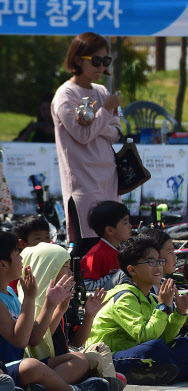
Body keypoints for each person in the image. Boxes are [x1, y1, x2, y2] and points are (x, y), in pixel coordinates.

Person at [87, 237, 188, 385]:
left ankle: (161, 372)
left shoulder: (149, 298)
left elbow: (164, 336)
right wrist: (163, 306)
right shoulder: (125, 298)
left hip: (138, 352)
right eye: (151, 262)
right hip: (110, 358)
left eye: (159, 260)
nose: (158, 266)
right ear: (132, 270)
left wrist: (180, 312)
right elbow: (146, 338)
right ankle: (185, 370)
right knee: (155, 348)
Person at [0, 232, 110, 391]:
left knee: (78, 359)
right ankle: (75, 389)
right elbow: (21, 341)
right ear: (3, 264)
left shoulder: (10, 292)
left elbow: (33, 337)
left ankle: (42, 387)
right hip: (8, 369)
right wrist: (31, 299)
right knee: (32, 366)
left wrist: (54, 306)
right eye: (17, 255)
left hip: (22, 367)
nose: (22, 260)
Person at [52, 32, 122, 260]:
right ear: (77, 58)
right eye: (96, 60)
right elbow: (82, 136)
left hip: (109, 181)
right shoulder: (66, 94)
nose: (101, 66)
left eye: (106, 61)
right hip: (83, 186)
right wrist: (104, 114)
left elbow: (117, 132)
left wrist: (94, 121)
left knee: (112, 246)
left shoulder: (102, 92)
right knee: (88, 248)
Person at [19, 243, 125, 390]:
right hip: (39, 366)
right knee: (85, 361)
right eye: (65, 267)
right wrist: (56, 308)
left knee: (99, 350)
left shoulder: (63, 300)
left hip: (60, 360)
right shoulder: (29, 303)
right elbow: (37, 341)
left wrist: (89, 315)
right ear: (49, 269)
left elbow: (77, 341)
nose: (70, 273)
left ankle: (102, 382)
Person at [81, 201, 131, 291]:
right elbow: (86, 286)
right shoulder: (95, 254)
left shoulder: (122, 249)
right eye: (125, 223)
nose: (130, 226)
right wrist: (116, 276)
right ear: (110, 230)